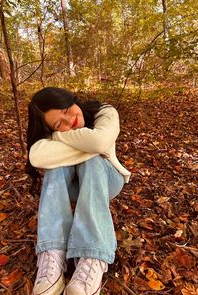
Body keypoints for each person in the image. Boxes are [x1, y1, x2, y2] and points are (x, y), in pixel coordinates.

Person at [26, 87, 131, 295]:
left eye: (66, 110)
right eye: (58, 124)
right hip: (73, 187)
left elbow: (99, 142)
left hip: (107, 179)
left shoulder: (105, 111)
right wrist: (86, 142)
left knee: (92, 160)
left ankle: (94, 255)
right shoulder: (64, 128)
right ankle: (52, 252)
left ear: (71, 99)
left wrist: (58, 136)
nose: (69, 121)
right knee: (55, 168)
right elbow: (36, 156)